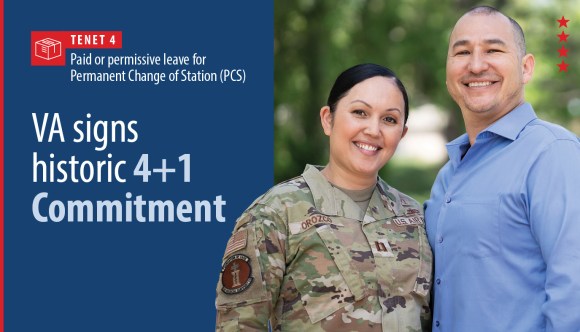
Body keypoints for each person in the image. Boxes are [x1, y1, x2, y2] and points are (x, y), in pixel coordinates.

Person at [215, 63, 432, 331]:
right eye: (359, 113)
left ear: (402, 133)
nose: (374, 130)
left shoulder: (415, 218)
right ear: (328, 119)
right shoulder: (276, 214)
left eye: (389, 119)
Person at [425, 6, 580, 332]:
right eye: (463, 52)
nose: (476, 65)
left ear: (526, 68)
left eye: (494, 50)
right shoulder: (446, 178)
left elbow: (573, 292)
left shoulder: (552, 154)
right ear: (448, 71)